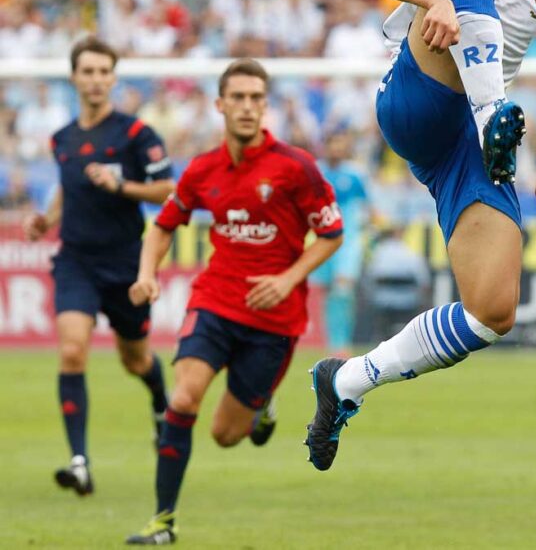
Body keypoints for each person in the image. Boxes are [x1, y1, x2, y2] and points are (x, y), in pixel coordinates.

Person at [304, 0, 536, 472]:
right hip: (418, 102)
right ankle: (494, 118)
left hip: (470, 149)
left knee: (493, 311)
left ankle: (347, 381)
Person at [124, 59, 344, 545]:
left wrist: (288, 279)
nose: (247, 107)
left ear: (265, 106)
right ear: (220, 105)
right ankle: (163, 521)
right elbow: (162, 225)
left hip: (274, 319)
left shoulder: (295, 167)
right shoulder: (203, 169)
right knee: (182, 399)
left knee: (225, 435)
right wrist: (146, 274)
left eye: (256, 99)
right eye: (238, 98)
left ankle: (262, 408)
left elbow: (331, 234)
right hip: (216, 302)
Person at [22, 36, 175, 496]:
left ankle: (159, 403)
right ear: (74, 77)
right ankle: (80, 462)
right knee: (72, 351)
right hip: (75, 260)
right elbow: (70, 188)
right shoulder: (62, 138)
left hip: (126, 263)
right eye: (86, 71)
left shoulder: (134, 134)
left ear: (113, 77)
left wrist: (121, 184)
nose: (94, 79)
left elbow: (166, 189)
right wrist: (46, 219)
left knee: (136, 359)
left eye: (102, 71)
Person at [309, 130, 371, 357]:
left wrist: (368, 237)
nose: (336, 148)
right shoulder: (316, 171)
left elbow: (368, 207)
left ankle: (342, 343)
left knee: (343, 290)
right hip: (322, 238)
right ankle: (333, 343)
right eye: (332, 144)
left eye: (340, 144)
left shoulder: (355, 175)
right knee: (328, 293)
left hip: (348, 240)